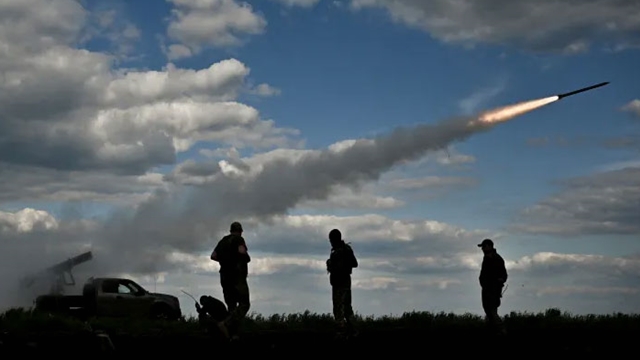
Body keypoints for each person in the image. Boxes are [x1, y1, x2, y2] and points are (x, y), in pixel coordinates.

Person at [211, 221, 251, 341]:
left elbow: (213, 256)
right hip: (237, 277)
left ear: (230, 230)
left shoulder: (223, 241)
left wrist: (225, 261)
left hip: (224, 277)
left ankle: (233, 335)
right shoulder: (238, 240)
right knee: (244, 304)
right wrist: (244, 259)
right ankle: (226, 324)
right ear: (240, 231)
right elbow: (242, 251)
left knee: (232, 307)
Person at [326, 228, 359, 337]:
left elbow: (353, 264)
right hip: (345, 283)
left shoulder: (338, 252)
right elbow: (354, 263)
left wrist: (333, 264)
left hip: (339, 283)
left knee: (338, 309)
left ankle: (341, 332)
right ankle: (353, 330)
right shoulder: (346, 249)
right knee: (347, 308)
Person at [477, 238, 508, 335]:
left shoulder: (496, 259)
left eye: (484, 246)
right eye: (482, 247)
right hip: (487, 289)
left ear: (489, 246)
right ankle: (492, 332)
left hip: (492, 290)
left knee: (492, 311)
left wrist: (497, 283)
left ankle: (502, 331)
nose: (482, 249)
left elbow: (504, 275)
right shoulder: (487, 258)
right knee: (489, 311)